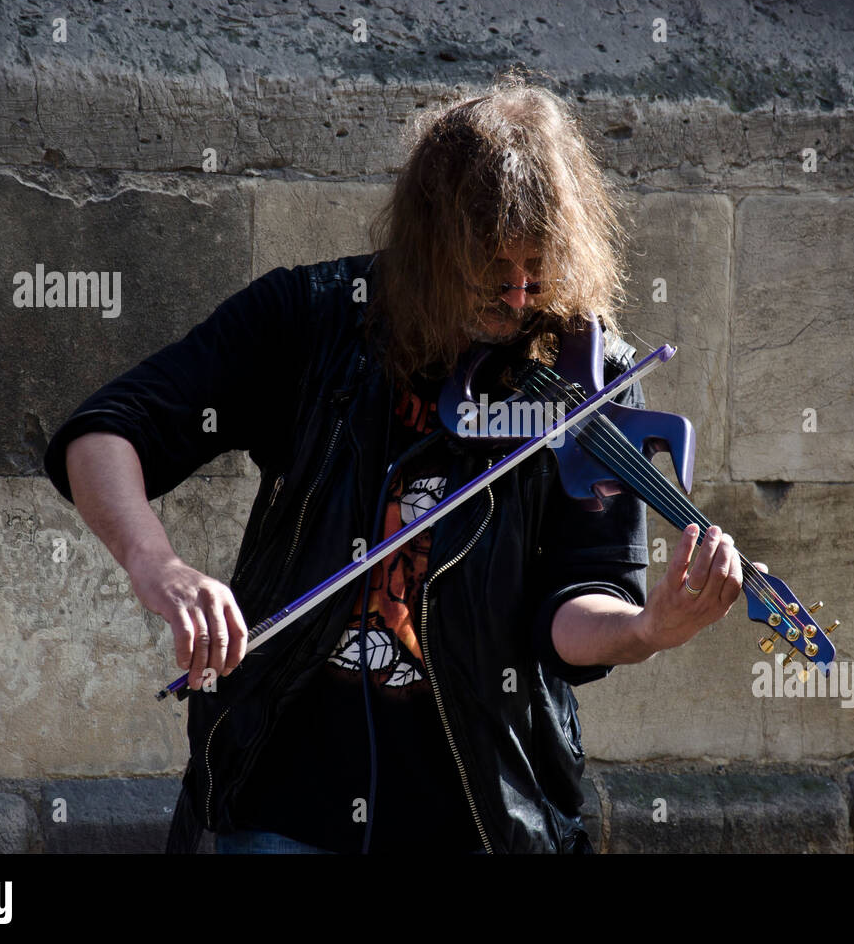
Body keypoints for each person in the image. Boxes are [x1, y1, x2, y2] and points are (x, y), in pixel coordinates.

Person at [43, 74, 755, 854]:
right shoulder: (313, 321)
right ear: (430, 248)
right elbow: (105, 433)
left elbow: (574, 606)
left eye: (536, 269)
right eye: (491, 272)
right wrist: (160, 567)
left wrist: (648, 626)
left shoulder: (586, 373)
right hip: (281, 803)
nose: (518, 300)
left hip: (482, 812)